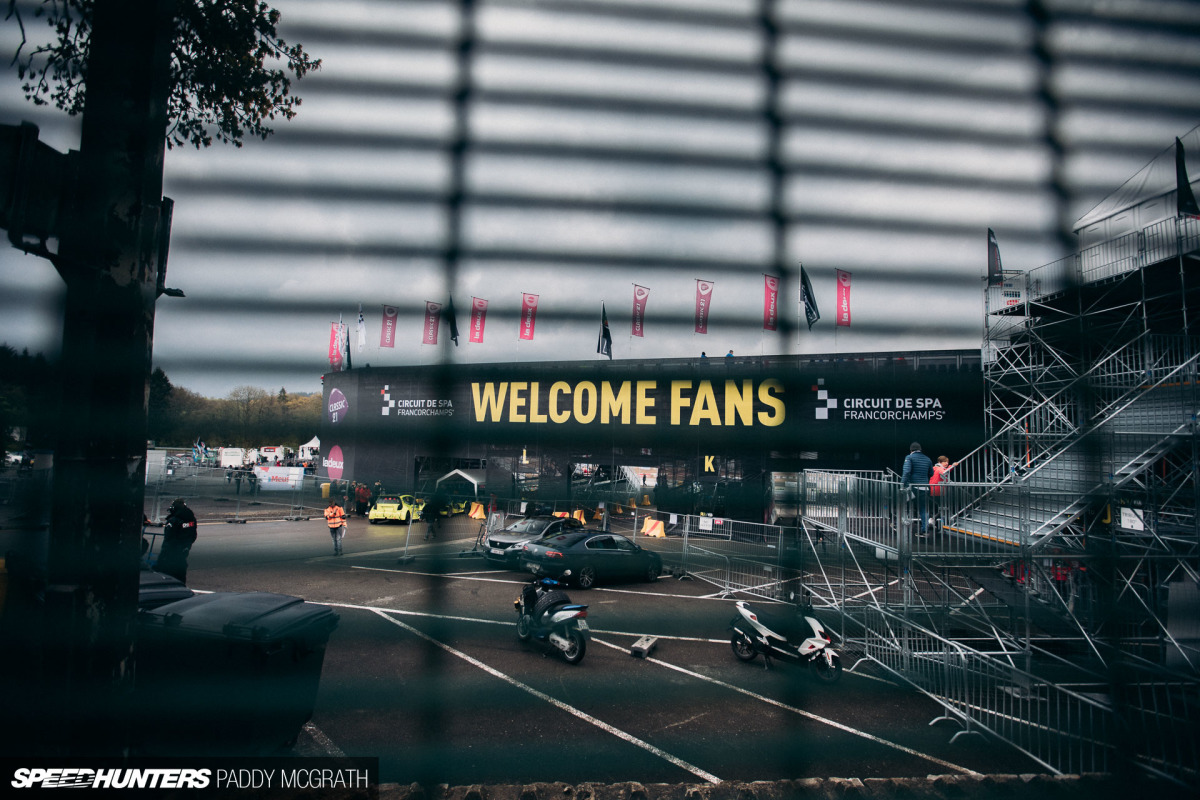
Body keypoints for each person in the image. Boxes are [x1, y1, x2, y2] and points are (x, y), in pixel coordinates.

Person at [157, 498, 198, 583]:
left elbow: (169, 537)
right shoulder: (191, 519)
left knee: (165, 570)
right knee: (180, 569)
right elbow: (193, 535)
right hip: (184, 548)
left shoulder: (173, 520)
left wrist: (164, 553)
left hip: (171, 551)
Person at [900, 442, 934, 535]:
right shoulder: (927, 459)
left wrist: (902, 484)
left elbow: (906, 472)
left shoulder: (909, 457)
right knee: (923, 509)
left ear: (911, 450)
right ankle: (925, 530)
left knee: (903, 504)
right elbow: (931, 473)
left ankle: (899, 525)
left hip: (913, 487)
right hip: (925, 487)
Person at [930, 455, 957, 528]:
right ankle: (934, 520)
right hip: (938, 490)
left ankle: (936, 521)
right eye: (944, 462)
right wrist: (952, 466)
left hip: (935, 490)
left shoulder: (935, 468)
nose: (946, 463)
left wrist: (951, 466)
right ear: (940, 462)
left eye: (947, 462)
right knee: (944, 507)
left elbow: (945, 471)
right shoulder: (939, 469)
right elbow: (944, 472)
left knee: (942, 507)